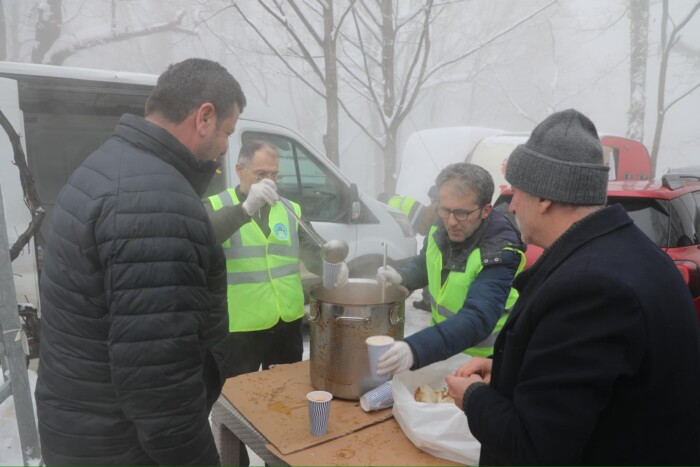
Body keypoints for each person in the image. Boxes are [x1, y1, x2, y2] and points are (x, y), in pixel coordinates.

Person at [446, 109, 700, 465]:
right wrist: (506, 374)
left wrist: (473, 398)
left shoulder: (591, 290)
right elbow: (588, 388)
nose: (513, 206)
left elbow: (536, 447)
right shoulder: (636, 254)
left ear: (545, 198)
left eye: (516, 192)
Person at [34, 58, 246, 465]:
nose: (224, 147)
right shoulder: (157, 203)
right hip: (122, 446)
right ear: (204, 117)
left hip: (85, 431)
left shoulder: (109, 164)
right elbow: (159, 387)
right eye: (227, 132)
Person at [205, 139, 348, 466]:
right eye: (260, 173)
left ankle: (278, 462)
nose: (269, 181)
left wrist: (333, 265)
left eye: (274, 174)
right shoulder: (215, 205)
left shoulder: (290, 209)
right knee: (233, 408)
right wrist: (245, 209)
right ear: (239, 170)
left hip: (284, 328)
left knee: (285, 406)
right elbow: (203, 238)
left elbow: (315, 250)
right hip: (237, 330)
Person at [375, 163, 525, 376]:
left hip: (482, 364)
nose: (452, 222)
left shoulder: (501, 251)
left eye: (462, 213)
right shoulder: (440, 225)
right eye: (445, 210)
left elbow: (478, 317)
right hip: (443, 350)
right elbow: (428, 262)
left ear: (485, 210)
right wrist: (403, 275)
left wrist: (416, 348)